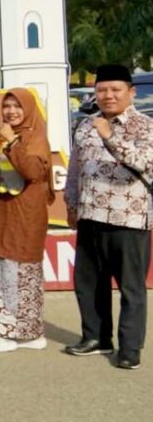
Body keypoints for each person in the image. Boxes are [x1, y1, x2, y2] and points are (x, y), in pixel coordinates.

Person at [64, 64, 153, 370]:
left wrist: (110, 136)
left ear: (131, 92)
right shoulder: (86, 125)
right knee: (88, 283)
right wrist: (71, 204)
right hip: (90, 215)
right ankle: (96, 337)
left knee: (131, 287)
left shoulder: (145, 126)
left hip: (128, 218)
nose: (108, 95)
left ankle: (130, 348)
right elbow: (75, 168)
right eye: (102, 90)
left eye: (116, 90)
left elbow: (144, 163)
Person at [0, 88, 51, 354]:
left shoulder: (34, 136)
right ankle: (29, 333)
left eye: (17, 106)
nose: (11, 112)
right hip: (6, 213)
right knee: (7, 269)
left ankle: (6, 334)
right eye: (7, 106)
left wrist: (13, 142)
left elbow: (33, 171)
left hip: (25, 217)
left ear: (28, 109)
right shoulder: (3, 135)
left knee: (17, 272)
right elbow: (5, 169)